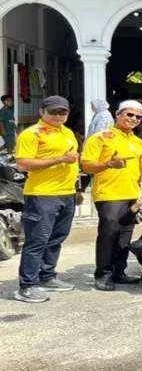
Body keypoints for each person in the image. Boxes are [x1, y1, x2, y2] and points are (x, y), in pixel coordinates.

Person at [12, 96, 80, 303]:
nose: (59, 116)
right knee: (37, 241)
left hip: (66, 193)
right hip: (42, 194)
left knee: (57, 238)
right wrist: (59, 159)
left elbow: (73, 164)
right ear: (42, 111)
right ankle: (27, 285)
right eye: (54, 112)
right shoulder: (32, 134)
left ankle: (47, 276)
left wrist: (76, 190)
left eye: (63, 112)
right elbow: (24, 163)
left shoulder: (67, 133)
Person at [81, 99, 142, 291]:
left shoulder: (138, 141)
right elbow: (86, 165)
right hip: (109, 195)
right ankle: (103, 274)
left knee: (124, 236)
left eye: (137, 117)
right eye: (129, 114)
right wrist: (107, 164)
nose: (133, 119)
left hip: (132, 193)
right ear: (117, 114)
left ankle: (119, 272)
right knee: (109, 235)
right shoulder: (100, 137)